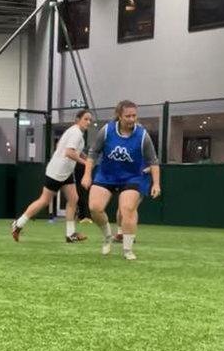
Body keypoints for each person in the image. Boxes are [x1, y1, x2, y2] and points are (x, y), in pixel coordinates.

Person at [82, 100, 161, 260]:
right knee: (95, 207)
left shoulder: (143, 135)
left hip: (132, 177)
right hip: (106, 175)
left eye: (134, 115)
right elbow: (93, 153)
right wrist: (87, 174)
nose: (132, 119)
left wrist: (156, 183)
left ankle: (127, 249)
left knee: (127, 209)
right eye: (128, 116)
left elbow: (153, 161)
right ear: (119, 116)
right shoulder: (106, 131)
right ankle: (107, 236)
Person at [12, 109, 93, 242]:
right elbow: (69, 152)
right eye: (86, 119)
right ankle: (18, 224)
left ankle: (70, 234)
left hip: (65, 172)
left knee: (73, 199)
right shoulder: (76, 133)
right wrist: (85, 163)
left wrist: (87, 158)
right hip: (57, 172)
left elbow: (64, 147)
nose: (88, 122)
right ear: (77, 120)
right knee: (44, 201)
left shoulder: (74, 131)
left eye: (90, 120)